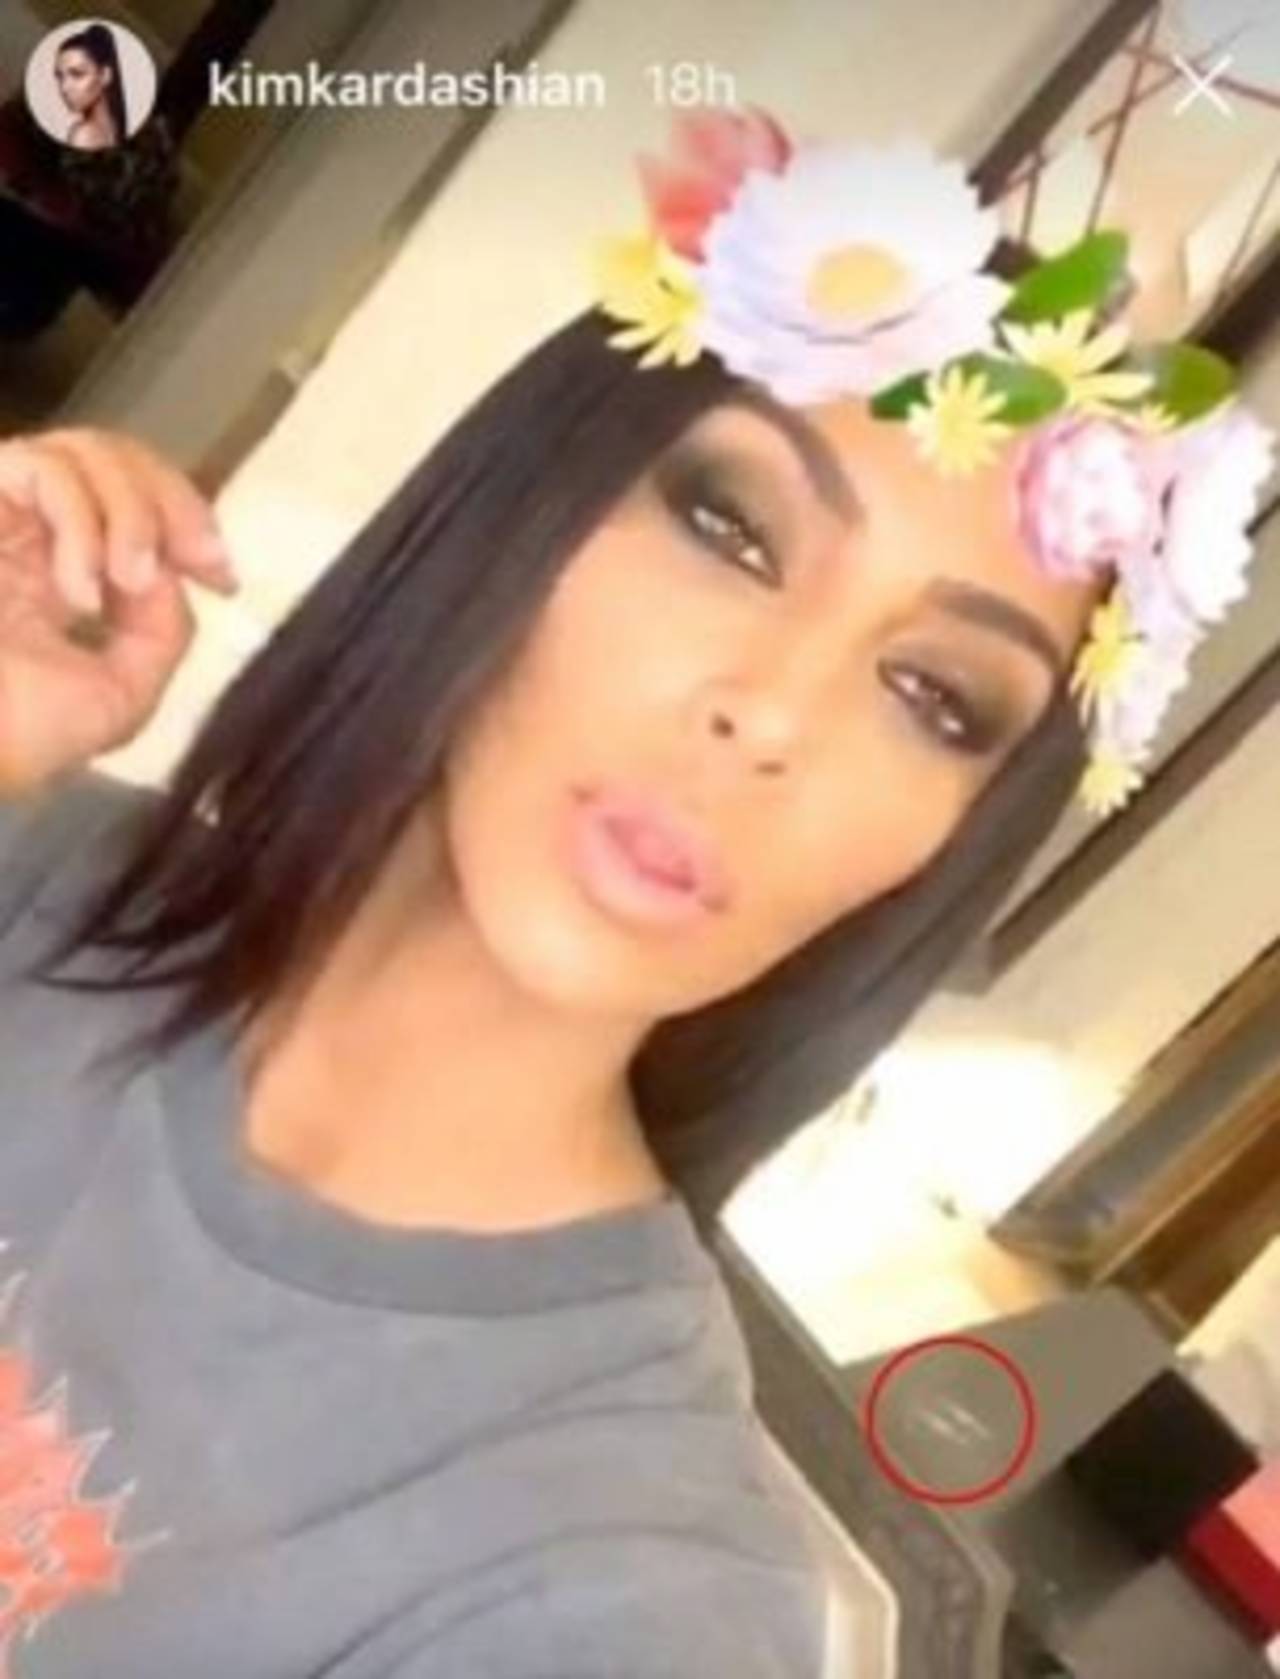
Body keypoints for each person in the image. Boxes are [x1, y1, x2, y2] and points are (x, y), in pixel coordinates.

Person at [0, 109, 1270, 1675]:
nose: (772, 712)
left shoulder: (631, 1591)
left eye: (934, 697)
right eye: (732, 528)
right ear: (525, 501)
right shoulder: (46, 870)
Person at [53, 23, 129, 151]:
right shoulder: (116, 127)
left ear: (105, 75)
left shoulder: (82, 136)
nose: (64, 88)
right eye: (60, 77)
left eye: (77, 74)